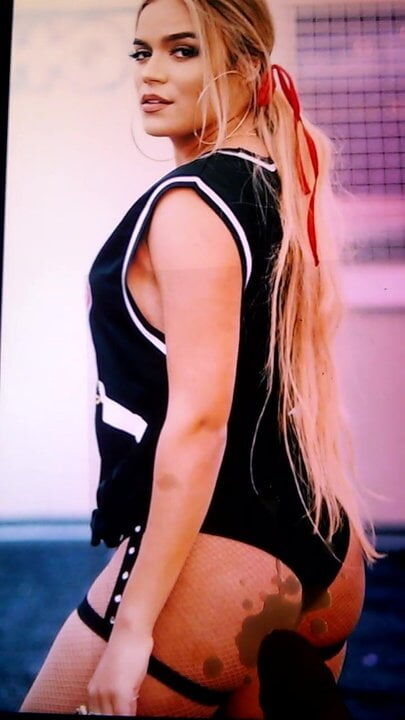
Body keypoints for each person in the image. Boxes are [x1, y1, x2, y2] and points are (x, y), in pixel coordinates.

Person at [19, 0, 383, 717]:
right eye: (142, 52)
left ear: (245, 68)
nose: (150, 73)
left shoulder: (191, 206)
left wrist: (132, 629)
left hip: (223, 559)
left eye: (182, 51)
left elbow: (198, 425)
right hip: (323, 552)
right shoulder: (278, 185)